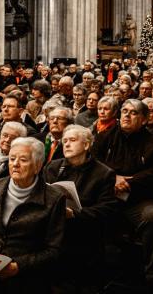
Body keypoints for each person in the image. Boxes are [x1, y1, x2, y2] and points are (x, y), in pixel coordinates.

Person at [0, 137, 66, 293]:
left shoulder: (54, 199)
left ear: (38, 166)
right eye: (12, 159)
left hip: (24, 274)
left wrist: (18, 266)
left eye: (23, 160)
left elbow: (53, 250)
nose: (15, 164)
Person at [92, 99, 153, 285]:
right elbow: (94, 162)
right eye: (124, 111)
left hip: (138, 197)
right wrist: (114, 179)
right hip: (107, 195)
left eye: (133, 112)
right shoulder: (105, 137)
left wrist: (130, 182)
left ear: (144, 119)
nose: (126, 115)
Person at [43, 125, 120, 291]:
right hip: (53, 231)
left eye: (72, 140)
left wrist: (76, 215)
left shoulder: (104, 173)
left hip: (84, 233)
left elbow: (107, 209)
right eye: (64, 141)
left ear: (86, 145)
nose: (67, 144)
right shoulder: (53, 167)